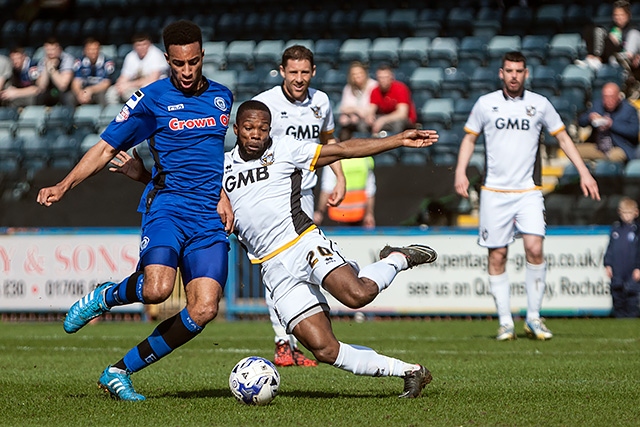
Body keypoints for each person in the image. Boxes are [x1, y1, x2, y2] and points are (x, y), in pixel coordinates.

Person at [112, 99, 441, 398]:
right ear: (236, 128)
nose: (256, 135)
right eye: (250, 128)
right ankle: (411, 372)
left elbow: (342, 150)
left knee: (357, 295)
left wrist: (397, 140)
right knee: (324, 350)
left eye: (263, 128)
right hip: (273, 267)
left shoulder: (287, 150)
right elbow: (179, 188)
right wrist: (140, 174)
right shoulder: (219, 168)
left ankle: (397, 258)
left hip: (303, 243)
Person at [36, 20, 234, 401]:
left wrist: (223, 192)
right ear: (167, 60)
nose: (188, 71)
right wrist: (64, 185)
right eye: (179, 64)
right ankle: (104, 298)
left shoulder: (222, 97)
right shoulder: (150, 99)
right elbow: (106, 148)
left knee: (204, 309)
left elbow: (213, 158)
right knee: (158, 289)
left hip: (208, 217)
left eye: (194, 62)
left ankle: (119, 371)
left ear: (202, 56)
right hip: (169, 209)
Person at [454, 51, 601, 341]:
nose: (513, 75)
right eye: (509, 70)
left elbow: (562, 137)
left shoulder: (539, 104)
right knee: (498, 255)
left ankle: (533, 317)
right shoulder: (486, 104)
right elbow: (469, 137)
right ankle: (506, 322)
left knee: (534, 248)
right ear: (501, 73)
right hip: (494, 192)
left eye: (519, 71)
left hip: (528, 192)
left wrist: (583, 171)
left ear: (526, 73)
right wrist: (460, 171)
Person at [252, 45, 346, 367]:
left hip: (304, 194)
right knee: (277, 267)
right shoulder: (266, 103)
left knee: (303, 271)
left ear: (313, 72)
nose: (299, 78)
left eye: (305, 72)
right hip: (275, 197)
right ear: (282, 71)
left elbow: (329, 143)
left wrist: (340, 179)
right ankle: (282, 342)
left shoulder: (321, 102)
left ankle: (297, 340)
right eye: (293, 72)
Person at [577, 0, 640, 95]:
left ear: (628, 15)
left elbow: (629, 55)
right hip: (609, 58)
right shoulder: (613, 29)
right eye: (616, 15)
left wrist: (616, 48)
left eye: (621, 15)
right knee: (590, 29)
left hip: (622, 63)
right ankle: (592, 58)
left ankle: (596, 59)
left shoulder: (633, 32)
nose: (618, 18)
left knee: (600, 31)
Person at [576, 82, 639, 163]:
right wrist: (590, 117)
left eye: (611, 97)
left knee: (614, 157)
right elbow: (580, 122)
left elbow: (633, 132)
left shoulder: (629, 110)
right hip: (599, 147)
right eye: (605, 97)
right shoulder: (597, 106)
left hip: (619, 147)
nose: (608, 100)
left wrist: (611, 124)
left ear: (618, 97)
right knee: (574, 151)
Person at [106, 32, 168, 105]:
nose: (142, 47)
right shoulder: (131, 56)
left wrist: (128, 85)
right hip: (135, 86)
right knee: (112, 92)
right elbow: (124, 76)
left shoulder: (156, 54)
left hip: (155, 87)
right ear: (134, 46)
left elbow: (153, 79)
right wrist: (119, 86)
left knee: (133, 94)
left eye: (144, 44)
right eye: (138, 45)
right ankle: (116, 114)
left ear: (149, 44)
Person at [603, 197, 640, 318]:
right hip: (618, 269)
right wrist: (607, 264)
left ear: (636, 213)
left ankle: (631, 319)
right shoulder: (616, 229)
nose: (627, 216)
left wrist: (638, 267)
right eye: (624, 213)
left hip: (631, 269)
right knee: (617, 297)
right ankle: (619, 319)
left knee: (632, 298)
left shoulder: (637, 231)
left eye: (629, 213)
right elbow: (610, 248)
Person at [314, 157, 376, 228]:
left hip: (340, 216)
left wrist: (320, 211)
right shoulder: (365, 158)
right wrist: (369, 213)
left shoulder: (334, 159)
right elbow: (370, 190)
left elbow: (327, 189)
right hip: (356, 216)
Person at [365, 64, 417, 136]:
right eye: (381, 77)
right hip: (384, 118)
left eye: (386, 77)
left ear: (392, 77)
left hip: (402, 120)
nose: (383, 80)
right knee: (363, 123)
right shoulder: (375, 90)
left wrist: (383, 120)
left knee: (397, 123)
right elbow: (371, 109)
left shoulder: (400, 88)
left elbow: (402, 114)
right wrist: (369, 117)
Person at [337, 61, 378, 141]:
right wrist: (356, 111)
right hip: (352, 121)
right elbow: (343, 108)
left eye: (359, 73)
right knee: (343, 128)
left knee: (362, 126)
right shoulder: (348, 88)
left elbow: (370, 109)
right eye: (354, 74)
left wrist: (354, 111)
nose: (357, 76)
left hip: (369, 120)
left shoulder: (373, 86)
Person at [70, 37, 115, 106]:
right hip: (84, 90)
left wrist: (90, 90)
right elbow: (76, 81)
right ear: (85, 50)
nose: (92, 52)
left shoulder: (107, 63)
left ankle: (104, 116)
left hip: (99, 90)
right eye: (90, 50)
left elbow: (106, 83)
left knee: (102, 96)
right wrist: (80, 93)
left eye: (95, 49)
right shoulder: (79, 62)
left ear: (99, 50)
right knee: (70, 96)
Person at [34, 37, 76, 106]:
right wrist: (46, 67)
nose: (50, 53)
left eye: (53, 49)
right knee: (39, 96)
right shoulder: (42, 61)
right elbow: (41, 86)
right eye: (48, 50)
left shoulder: (67, 59)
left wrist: (52, 69)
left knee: (68, 97)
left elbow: (63, 85)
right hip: (49, 90)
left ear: (59, 49)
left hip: (66, 91)